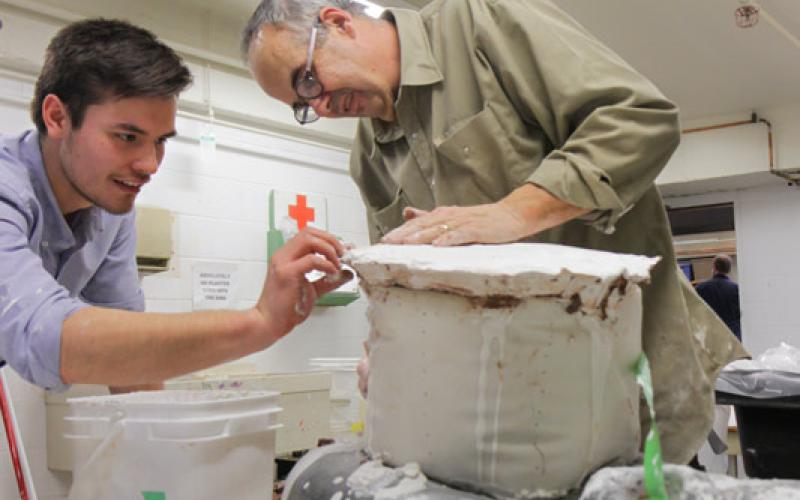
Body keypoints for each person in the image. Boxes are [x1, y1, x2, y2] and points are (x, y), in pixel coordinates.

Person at [241, 0, 747, 465]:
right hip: (519, 420)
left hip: (632, 390)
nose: (323, 107)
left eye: (308, 81)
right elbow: (409, 288)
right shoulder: (369, 156)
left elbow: (640, 119)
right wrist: (386, 354)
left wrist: (513, 212)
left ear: (337, 22)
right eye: (304, 105)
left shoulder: (478, 24)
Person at [0, 18, 351, 394]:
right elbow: (48, 336)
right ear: (57, 117)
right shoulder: (8, 188)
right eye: (127, 137)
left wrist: (166, 442)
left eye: (160, 141)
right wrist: (259, 322)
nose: (150, 165)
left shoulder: (110, 213)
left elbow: (130, 364)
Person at [695, 254, 741, 341]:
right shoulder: (737, 289)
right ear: (729, 270)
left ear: (714, 268)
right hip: (734, 336)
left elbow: (696, 312)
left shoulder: (701, 288)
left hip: (712, 335)